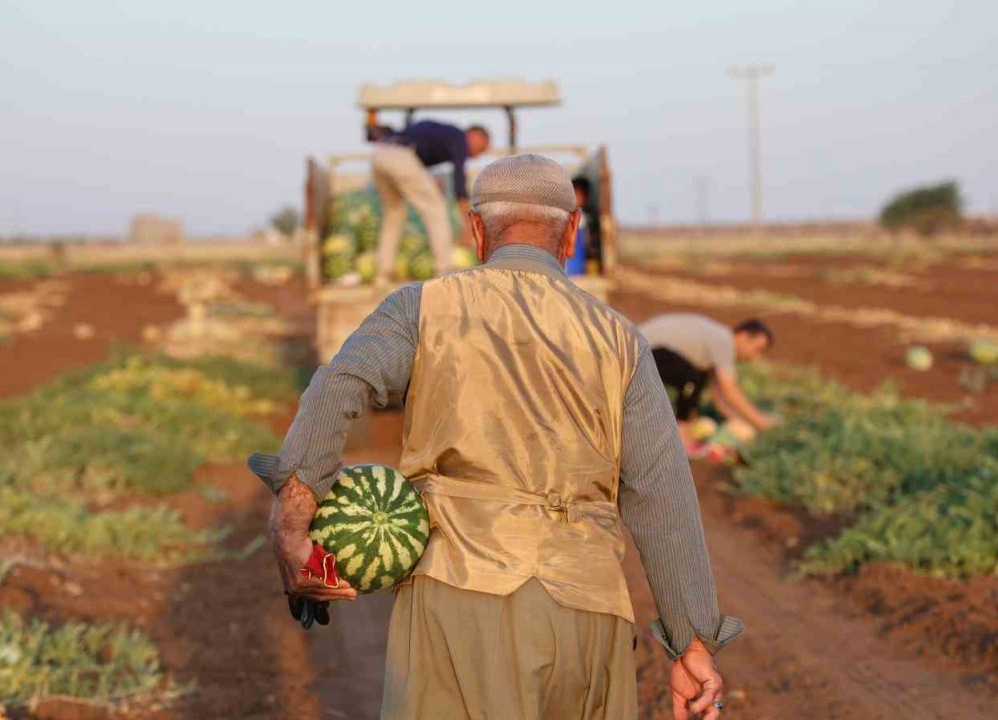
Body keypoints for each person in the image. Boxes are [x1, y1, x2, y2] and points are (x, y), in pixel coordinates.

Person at [251, 155, 741, 720]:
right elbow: (663, 494)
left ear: (476, 229)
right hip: (590, 613)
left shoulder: (423, 307)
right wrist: (693, 644)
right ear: (572, 230)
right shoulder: (621, 339)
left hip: (459, 597)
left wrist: (291, 517)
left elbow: (338, 386)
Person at [371, 120, 491, 284]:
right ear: (474, 136)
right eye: (481, 149)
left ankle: (383, 273)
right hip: (401, 157)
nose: (477, 155)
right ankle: (445, 270)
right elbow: (459, 181)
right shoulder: (459, 138)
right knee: (436, 210)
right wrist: (468, 224)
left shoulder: (443, 133)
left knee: (394, 213)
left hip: (380, 154)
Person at [638, 314, 777, 444]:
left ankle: (682, 426)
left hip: (646, 348)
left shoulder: (718, 340)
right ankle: (681, 434)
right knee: (691, 380)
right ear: (743, 336)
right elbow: (730, 392)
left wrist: (736, 419)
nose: (756, 357)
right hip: (641, 350)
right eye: (758, 349)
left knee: (698, 379)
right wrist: (761, 422)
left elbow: (720, 398)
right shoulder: (725, 343)